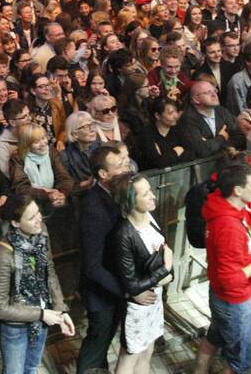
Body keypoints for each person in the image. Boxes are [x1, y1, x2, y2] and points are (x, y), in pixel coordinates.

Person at [197, 160, 251, 374]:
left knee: (215, 336)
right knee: (239, 363)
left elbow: (247, 237)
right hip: (234, 300)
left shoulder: (229, 210)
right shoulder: (227, 225)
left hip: (222, 296)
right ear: (237, 190)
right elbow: (231, 279)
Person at [0, 194, 74, 374]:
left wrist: (60, 310)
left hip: (42, 319)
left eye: (38, 213)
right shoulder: (2, 254)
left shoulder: (41, 232)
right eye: (31, 217)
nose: (39, 219)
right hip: (16, 328)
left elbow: (49, 271)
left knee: (32, 368)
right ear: (15, 223)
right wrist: (41, 314)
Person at [76, 142, 134, 374]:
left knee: (107, 337)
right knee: (97, 341)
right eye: (120, 166)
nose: (127, 168)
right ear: (103, 174)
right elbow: (92, 266)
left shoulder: (118, 193)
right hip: (103, 290)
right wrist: (124, 290)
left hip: (117, 284)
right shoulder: (93, 208)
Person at [108, 173, 173, 374]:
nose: (153, 196)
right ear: (130, 201)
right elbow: (132, 285)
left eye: (150, 191)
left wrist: (163, 276)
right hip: (137, 305)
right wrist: (165, 271)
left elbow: (163, 250)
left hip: (154, 299)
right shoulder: (124, 234)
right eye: (145, 194)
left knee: (147, 350)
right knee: (130, 355)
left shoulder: (151, 216)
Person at [7, 124, 74, 210]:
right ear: (27, 144)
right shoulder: (18, 158)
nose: (43, 144)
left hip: (56, 200)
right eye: (36, 142)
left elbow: (64, 177)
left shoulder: (52, 152)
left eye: (43, 138)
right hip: (31, 203)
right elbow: (20, 187)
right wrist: (46, 194)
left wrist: (61, 193)